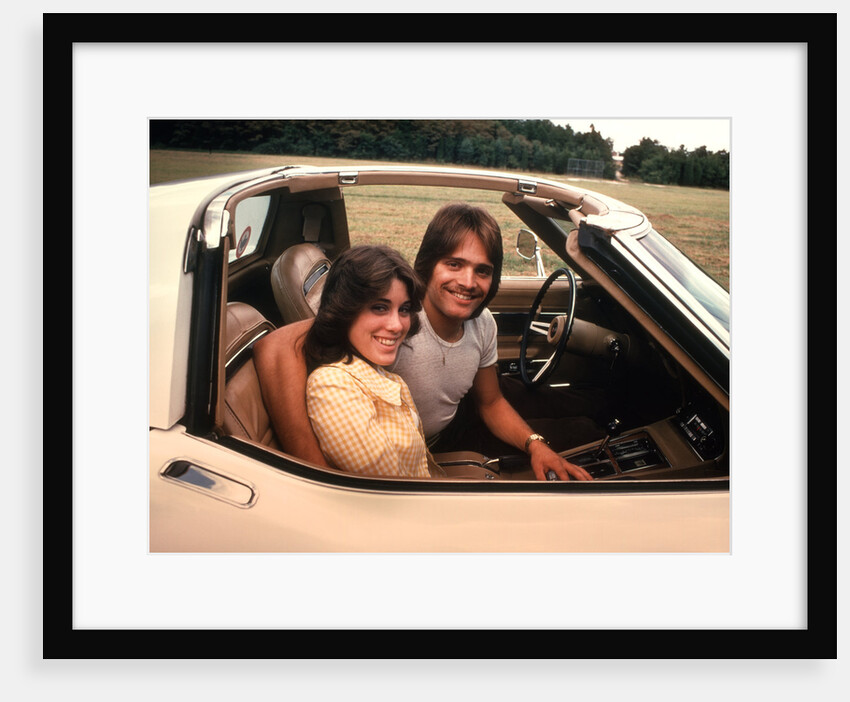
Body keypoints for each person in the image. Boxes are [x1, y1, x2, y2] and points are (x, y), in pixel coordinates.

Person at [255, 203, 597, 481]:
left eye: (482, 270)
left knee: (584, 402)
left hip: (464, 410)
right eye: (454, 264)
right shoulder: (396, 318)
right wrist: (319, 475)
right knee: (583, 430)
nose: (468, 282)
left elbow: (490, 402)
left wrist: (535, 444)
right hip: (434, 441)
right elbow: (273, 346)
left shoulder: (483, 324)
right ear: (428, 265)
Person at [302, 244, 435, 478]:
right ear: (345, 310)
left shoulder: (374, 371)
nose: (396, 325)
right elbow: (392, 491)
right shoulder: (332, 385)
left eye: (404, 309)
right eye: (380, 308)